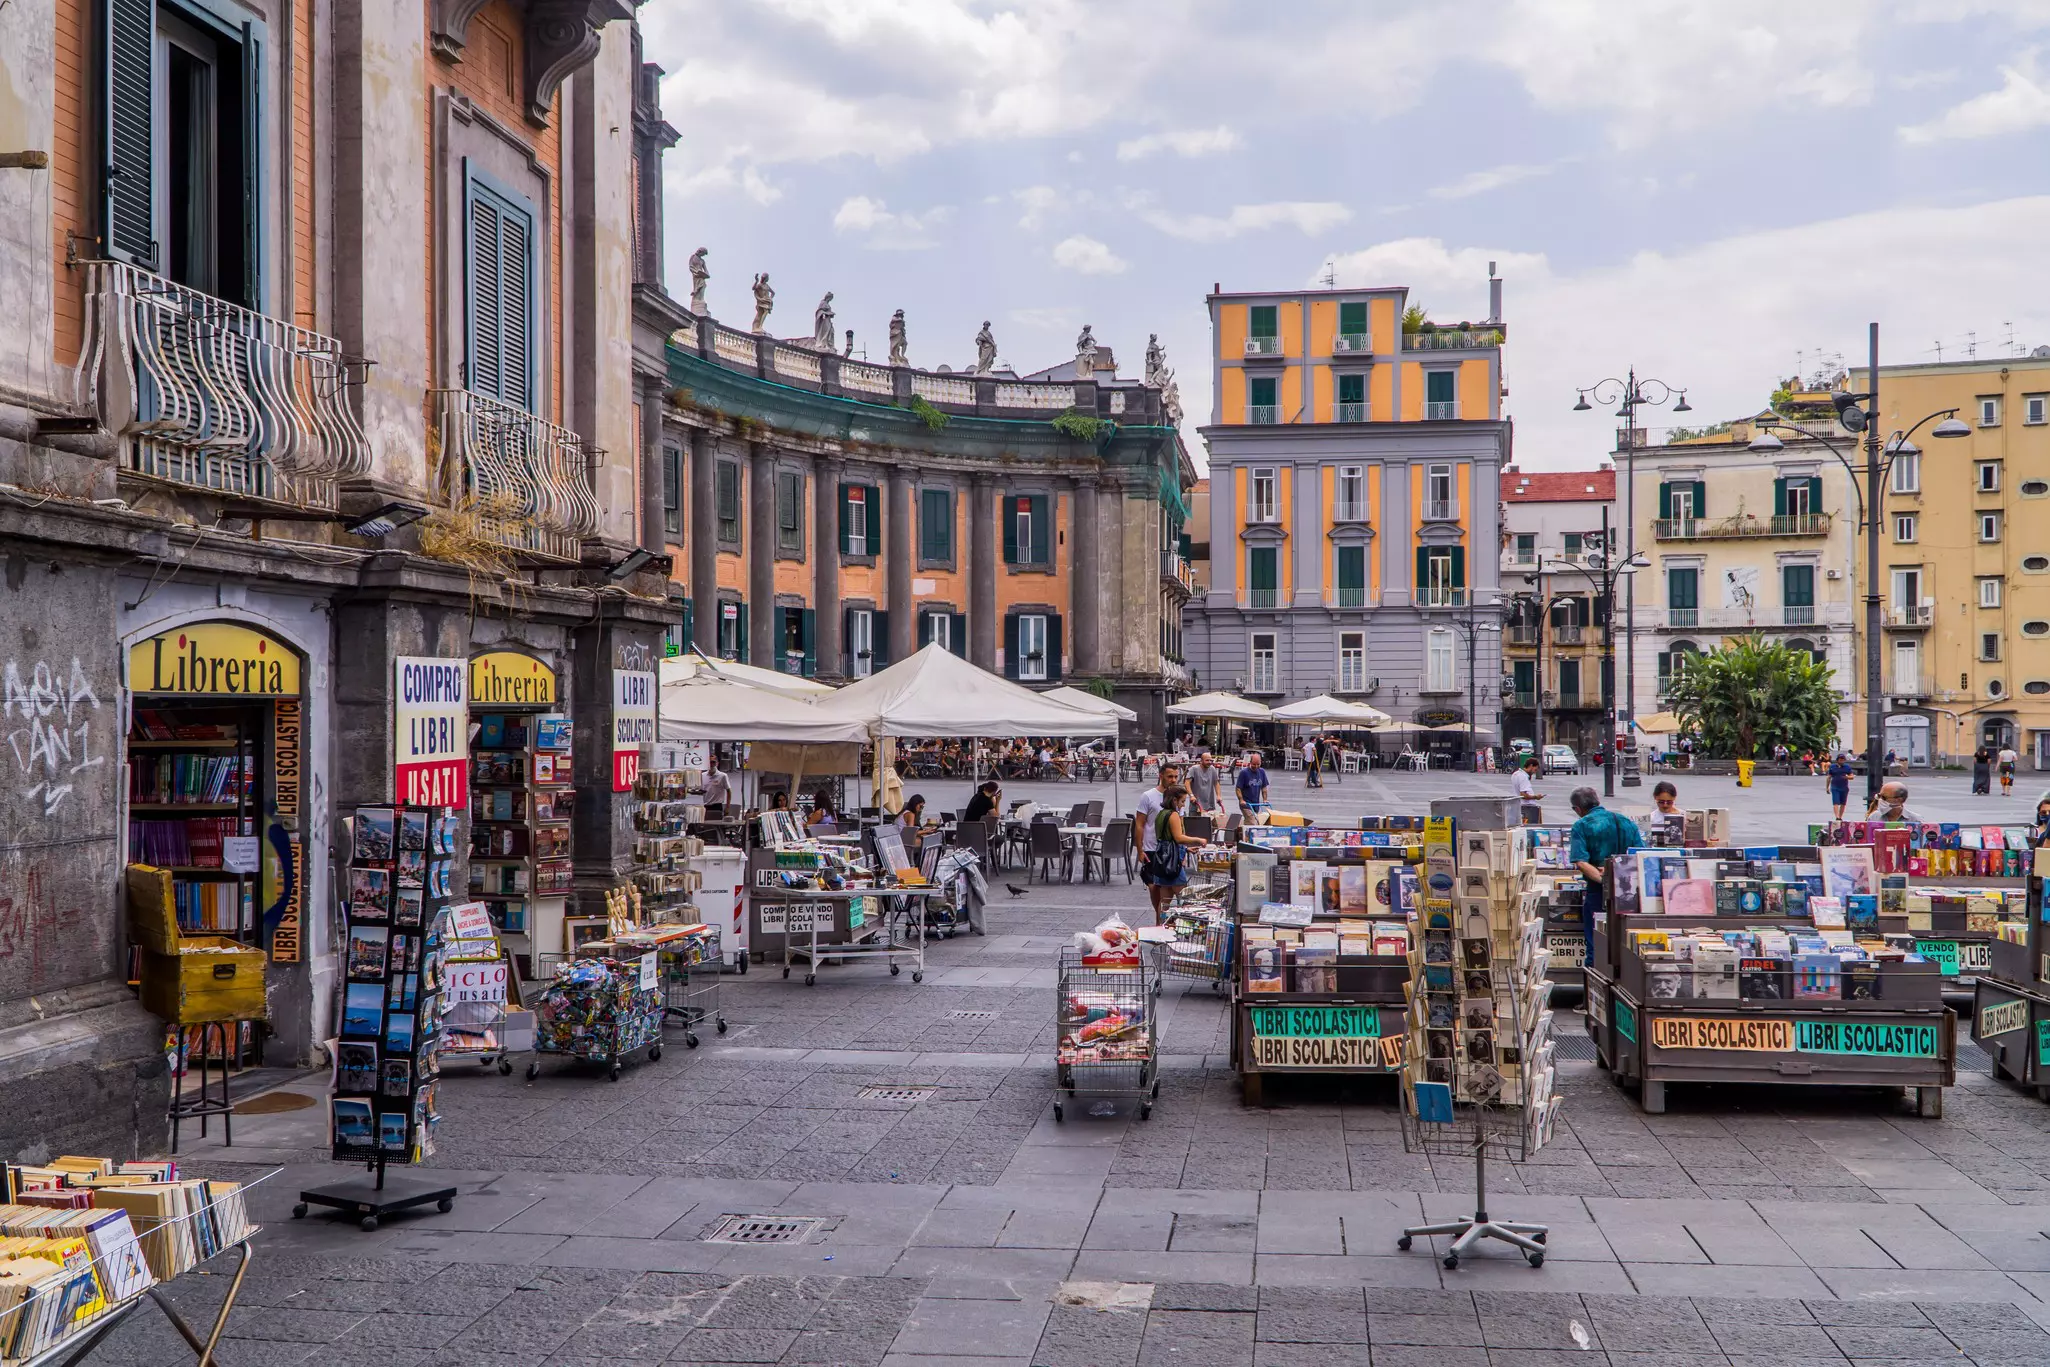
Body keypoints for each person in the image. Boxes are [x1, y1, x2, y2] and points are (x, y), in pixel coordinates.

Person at [1568, 787, 1644, 963]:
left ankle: (1595, 985)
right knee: (1625, 943)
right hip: (1629, 890)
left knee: (1596, 944)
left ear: (1577, 809)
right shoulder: (1626, 821)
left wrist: (1605, 879)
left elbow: (1580, 861)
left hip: (1598, 891)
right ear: (1598, 801)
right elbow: (1640, 855)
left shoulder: (1582, 825)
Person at [1139, 783, 1204, 922]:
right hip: (1172, 862)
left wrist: (1186, 849)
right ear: (1174, 800)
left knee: (1164, 902)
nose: (1182, 805)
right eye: (1182, 801)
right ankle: (1185, 926)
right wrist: (1198, 840)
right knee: (1185, 899)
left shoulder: (1161, 814)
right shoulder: (1173, 814)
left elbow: (1165, 839)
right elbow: (1178, 838)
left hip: (1162, 860)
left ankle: (1160, 926)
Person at [1187, 753, 1225, 817]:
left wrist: (1218, 795)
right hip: (1196, 802)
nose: (1209, 762)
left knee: (1209, 823)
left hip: (1209, 802)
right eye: (1207, 760)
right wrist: (1191, 795)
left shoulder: (1212, 769)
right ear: (1201, 761)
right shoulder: (1194, 769)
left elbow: (1216, 783)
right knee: (1193, 822)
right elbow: (1187, 782)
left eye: (1211, 760)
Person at [1234, 752, 1270, 816]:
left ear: (1261, 762)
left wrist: (1265, 799)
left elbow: (1264, 787)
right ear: (1250, 762)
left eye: (1258, 764)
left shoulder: (1262, 772)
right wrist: (1241, 800)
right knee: (1252, 821)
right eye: (1254, 764)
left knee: (1256, 821)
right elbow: (1238, 788)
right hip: (1246, 804)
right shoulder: (1244, 773)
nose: (1256, 766)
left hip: (1256, 803)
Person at [1513, 754, 1544, 825]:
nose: (1534, 772)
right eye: (1535, 769)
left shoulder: (1516, 774)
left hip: (1520, 805)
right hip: (1528, 807)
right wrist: (1536, 797)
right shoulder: (1523, 777)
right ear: (1530, 766)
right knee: (1530, 827)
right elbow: (1523, 795)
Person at [1826, 752, 1852, 822]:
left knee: (1843, 803)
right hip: (1835, 787)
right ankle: (1837, 817)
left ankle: (1840, 816)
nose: (1842, 761)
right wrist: (1827, 787)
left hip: (1844, 787)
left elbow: (1851, 776)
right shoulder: (1832, 767)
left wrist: (1847, 777)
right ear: (1837, 760)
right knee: (1836, 802)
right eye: (1840, 759)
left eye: (1843, 759)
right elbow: (1829, 777)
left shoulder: (1847, 767)